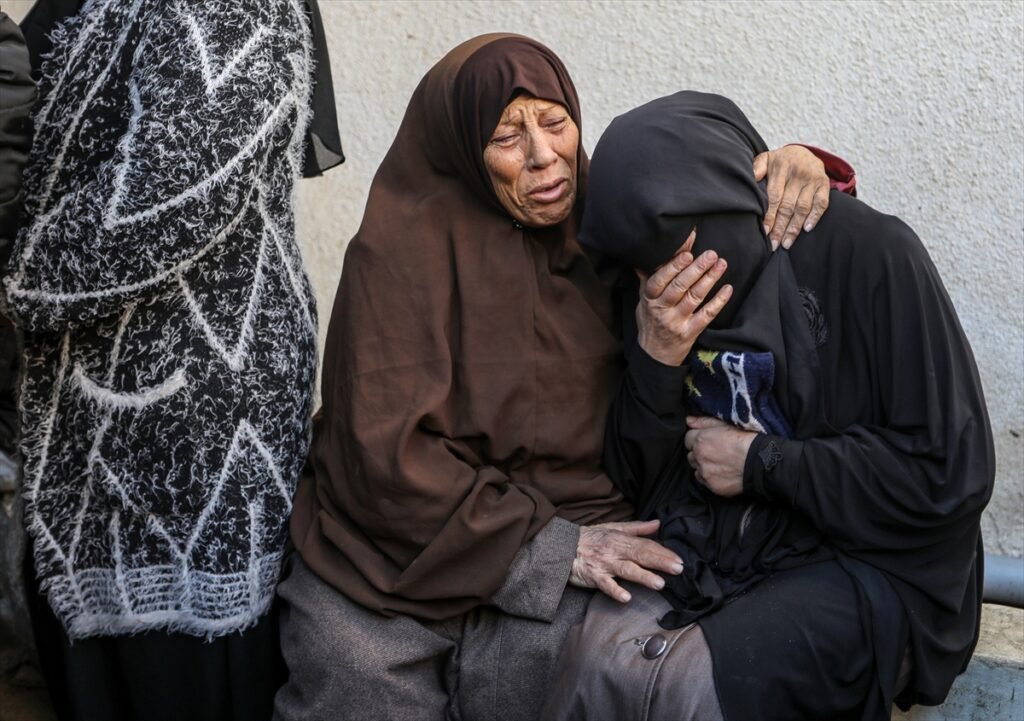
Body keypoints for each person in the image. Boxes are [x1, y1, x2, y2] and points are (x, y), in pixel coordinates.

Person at [275, 33, 850, 721]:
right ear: (462, 148)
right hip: (389, 556)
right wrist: (547, 551)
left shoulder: (601, 220)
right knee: (355, 680)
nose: (546, 157)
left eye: (554, 122)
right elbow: (382, 457)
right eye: (508, 136)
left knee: (597, 671)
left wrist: (794, 166)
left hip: (580, 517)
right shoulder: (397, 254)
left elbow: (733, 221)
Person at [542, 91, 994, 721]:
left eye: (679, 245)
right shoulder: (652, 292)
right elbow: (641, 483)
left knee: (696, 687)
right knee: (594, 662)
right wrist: (657, 358)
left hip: (872, 559)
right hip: (718, 545)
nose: (669, 277)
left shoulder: (870, 256)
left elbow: (947, 476)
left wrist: (762, 463)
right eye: (647, 263)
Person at [3, 1, 342, 719]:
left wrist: (11, 282)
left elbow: (165, 198)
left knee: (179, 684)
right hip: (90, 425)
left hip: (189, 425)